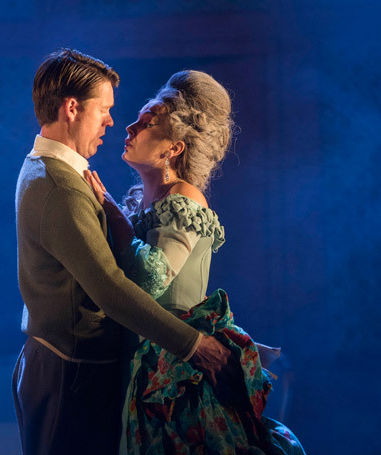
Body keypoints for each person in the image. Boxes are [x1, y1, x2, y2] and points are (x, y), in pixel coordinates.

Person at [13, 49, 238, 455]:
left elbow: (143, 277)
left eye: (143, 119)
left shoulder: (61, 174)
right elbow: (111, 287)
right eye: (106, 109)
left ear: (175, 148)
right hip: (76, 371)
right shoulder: (61, 183)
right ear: (71, 108)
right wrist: (194, 345)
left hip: (152, 374)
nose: (116, 123)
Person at [85, 70, 305, 454]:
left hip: (178, 376)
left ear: (174, 148)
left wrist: (115, 219)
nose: (130, 126)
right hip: (142, 361)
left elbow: (151, 279)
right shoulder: (142, 203)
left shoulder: (186, 196)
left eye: (147, 121)